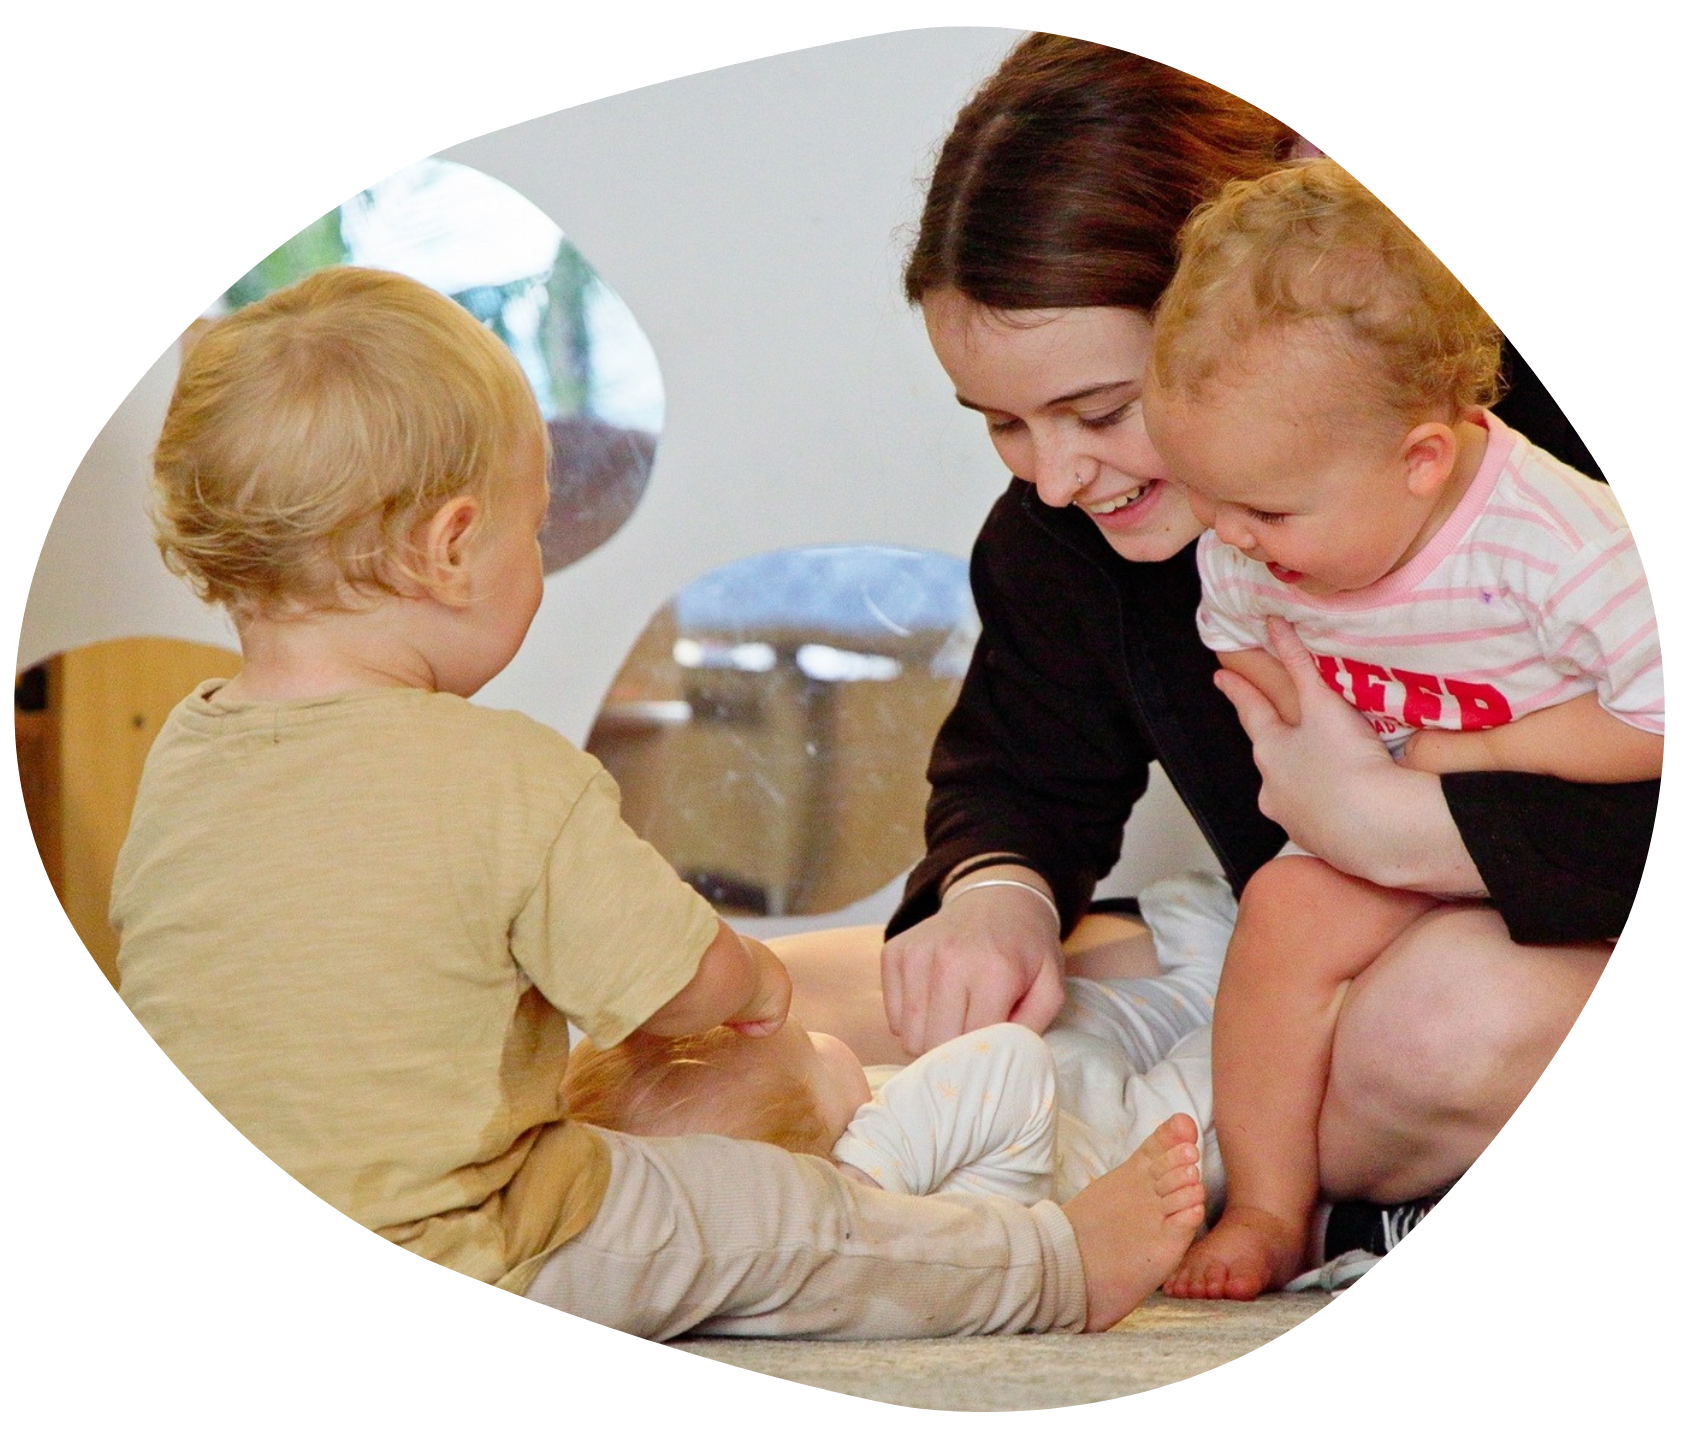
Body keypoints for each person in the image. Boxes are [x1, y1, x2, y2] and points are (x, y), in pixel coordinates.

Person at [113, 264, 1203, 1340]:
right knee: (788, 1221)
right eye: (532, 532)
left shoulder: (183, 757)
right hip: (481, 1238)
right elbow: (669, 983)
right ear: (450, 549)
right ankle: (1057, 1266)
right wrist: (753, 981)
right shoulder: (499, 774)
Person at [871, 35, 1647, 1248]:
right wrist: (996, 893)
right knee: (855, 994)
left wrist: (1406, 826)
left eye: (1103, 411)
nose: (1057, 475)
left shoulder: (1528, 479)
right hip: (1295, 929)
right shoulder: (1064, 528)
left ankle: (1250, 1193)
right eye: (1001, 426)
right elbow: (1018, 772)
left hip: (1520, 940)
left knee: (1443, 1022)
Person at [1138, 160, 1660, 1298]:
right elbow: (1242, 650)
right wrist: (1312, 752)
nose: (1226, 535)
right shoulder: (1248, 536)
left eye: (1265, 512)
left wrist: (1467, 757)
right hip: (1379, 819)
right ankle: (1277, 1206)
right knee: (1279, 909)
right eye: (1208, 499)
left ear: (1420, 460)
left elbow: (1651, 720)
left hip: (1563, 845)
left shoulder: (1561, 543)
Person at [568, 873, 1230, 1209]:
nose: (823, 1037)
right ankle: (1237, 983)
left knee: (1111, 1008)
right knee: (1233, 1062)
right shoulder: (890, 1187)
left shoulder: (845, 1128)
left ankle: (1217, 958)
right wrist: (876, 1168)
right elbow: (1011, 1061)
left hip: (1068, 1086)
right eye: (809, 1048)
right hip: (1121, 1138)